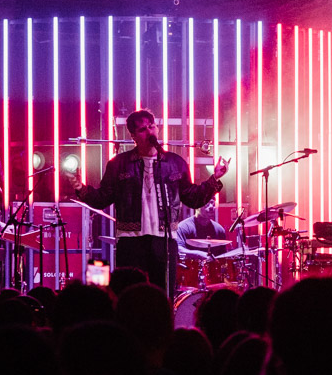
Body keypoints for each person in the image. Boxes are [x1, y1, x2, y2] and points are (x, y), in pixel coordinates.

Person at [65, 110, 228, 293]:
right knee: (130, 295)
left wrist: (214, 178)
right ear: (133, 136)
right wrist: (80, 187)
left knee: (163, 294)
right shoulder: (119, 164)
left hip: (164, 241)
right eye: (143, 129)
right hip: (131, 242)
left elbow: (192, 197)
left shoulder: (175, 163)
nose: (150, 132)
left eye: (152, 126)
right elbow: (102, 198)